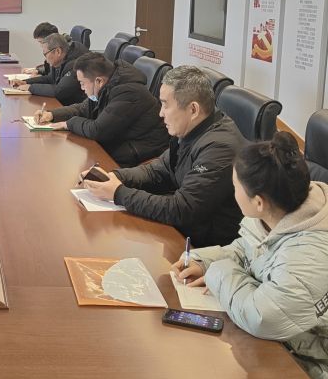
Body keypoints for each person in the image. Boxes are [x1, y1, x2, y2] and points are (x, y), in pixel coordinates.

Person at [172, 132, 328, 378]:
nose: (233, 192)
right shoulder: (283, 208)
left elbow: (262, 317)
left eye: (235, 186)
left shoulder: (309, 255)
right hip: (288, 342)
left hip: (310, 362)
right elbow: (249, 248)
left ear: (258, 202)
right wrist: (206, 261)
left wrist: (218, 272)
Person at [83, 65, 245, 247]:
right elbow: (158, 170)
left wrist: (119, 193)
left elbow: (182, 209)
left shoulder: (219, 148)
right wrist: (115, 177)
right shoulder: (191, 129)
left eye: (165, 104)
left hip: (202, 247)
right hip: (182, 231)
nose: (160, 113)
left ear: (193, 110)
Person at [34, 52, 167, 166]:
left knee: (77, 162)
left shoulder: (128, 93)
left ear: (99, 81)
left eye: (82, 83)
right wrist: (52, 114)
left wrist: (68, 123)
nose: (82, 88)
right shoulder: (108, 85)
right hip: (121, 142)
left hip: (140, 152)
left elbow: (97, 130)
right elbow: (82, 108)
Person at [12, 33, 87, 104]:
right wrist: (25, 82)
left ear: (58, 51)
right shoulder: (61, 59)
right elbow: (50, 78)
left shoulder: (76, 64)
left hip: (76, 107)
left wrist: (30, 88)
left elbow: (60, 91)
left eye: (45, 54)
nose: (46, 59)